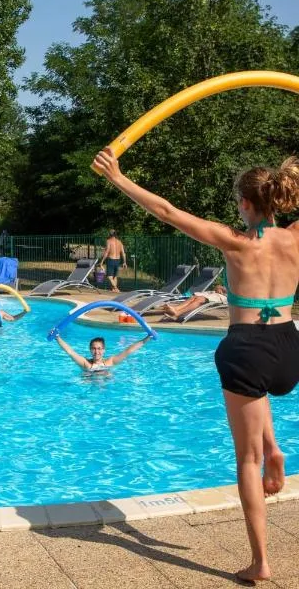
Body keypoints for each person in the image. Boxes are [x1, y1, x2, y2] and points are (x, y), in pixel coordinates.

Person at [93, 147, 299, 582]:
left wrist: (118, 178)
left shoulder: (234, 240)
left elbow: (167, 212)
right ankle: (277, 448)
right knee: (260, 392)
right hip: (288, 346)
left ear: (244, 203)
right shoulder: (296, 236)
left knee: (247, 459)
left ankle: (261, 561)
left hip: (246, 346)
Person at [55, 333, 151, 373]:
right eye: (94, 348)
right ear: (90, 350)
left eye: (99, 349)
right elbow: (70, 352)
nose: (97, 352)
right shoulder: (86, 364)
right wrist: (57, 337)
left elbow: (129, 351)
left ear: (104, 350)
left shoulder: (110, 362)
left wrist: (147, 338)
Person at [161, 285, 227, 321]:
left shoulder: (234, 280)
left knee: (200, 299)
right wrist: (218, 288)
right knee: (195, 296)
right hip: (212, 294)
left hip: (221, 297)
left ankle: (177, 313)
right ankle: (176, 309)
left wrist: (221, 290)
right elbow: (218, 287)